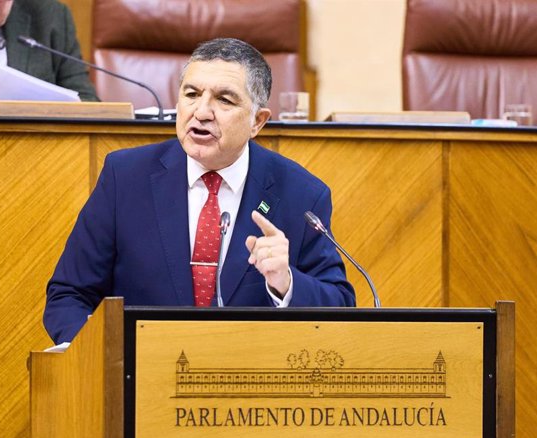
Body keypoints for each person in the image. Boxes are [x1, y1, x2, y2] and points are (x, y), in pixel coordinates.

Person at [43, 37, 356, 344]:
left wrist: (286, 282)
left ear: (256, 122)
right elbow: (69, 294)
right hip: (138, 378)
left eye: (224, 100)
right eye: (191, 94)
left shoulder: (301, 194)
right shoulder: (125, 177)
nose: (202, 111)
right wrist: (100, 358)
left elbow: (341, 307)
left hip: (249, 384)